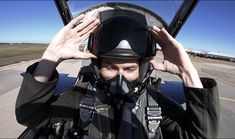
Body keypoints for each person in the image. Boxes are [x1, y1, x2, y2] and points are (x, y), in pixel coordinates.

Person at [16, 14, 219, 139]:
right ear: (97, 66)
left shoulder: (154, 103)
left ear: (143, 68)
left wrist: (188, 73)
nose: (119, 78)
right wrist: (50, 59)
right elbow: (29, 115)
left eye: (130, 69)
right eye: (111, 66)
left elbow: (200, 135)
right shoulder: (79, 97)